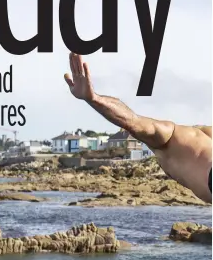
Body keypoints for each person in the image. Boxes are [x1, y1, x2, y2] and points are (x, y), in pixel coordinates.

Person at [65, 53, 212, 203]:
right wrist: (94, 99)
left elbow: (132, 121)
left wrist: (94, 99)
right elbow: (132, 121)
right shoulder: (174, 138)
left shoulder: (181, 140)